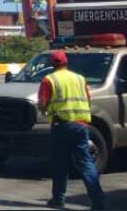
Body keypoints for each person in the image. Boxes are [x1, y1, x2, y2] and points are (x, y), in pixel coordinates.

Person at [38, 50, 105, 210]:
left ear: (52, 64)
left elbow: (42, 103)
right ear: (66, 62)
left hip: (61, 125)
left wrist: (46, 111)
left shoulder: (49, 80)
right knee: (85, 162)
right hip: (81, 125)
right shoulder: (80, 79)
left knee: (60, 164)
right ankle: (98, 201)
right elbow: (87, 100)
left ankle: (58, 199)